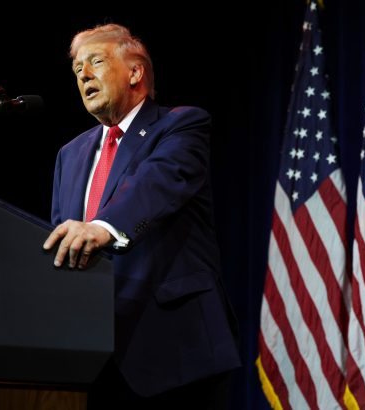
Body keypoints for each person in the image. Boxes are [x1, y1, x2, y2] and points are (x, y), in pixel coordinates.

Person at [43, 23, 241, 409]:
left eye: (96, 62)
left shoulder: (180, 125)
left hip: (174, 350)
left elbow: (157, 183)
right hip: (90, 359)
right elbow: (62, 235)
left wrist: (103, 227)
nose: (83, 75)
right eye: (77, 69)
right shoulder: (70, 154)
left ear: (135, 72)